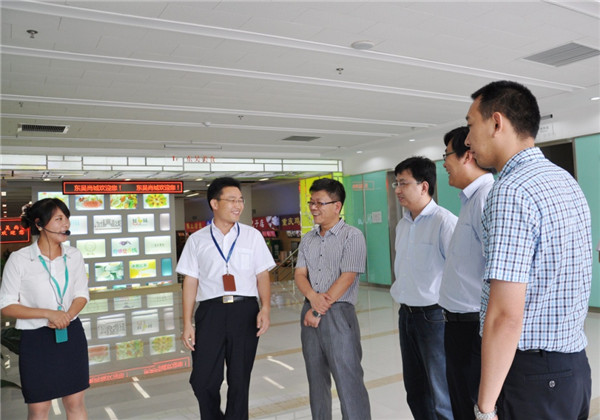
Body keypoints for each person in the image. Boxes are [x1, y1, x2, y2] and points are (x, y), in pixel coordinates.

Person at [465, 80, 592, 420]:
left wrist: (485, 408)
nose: (467, 140)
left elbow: (506, 316)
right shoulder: (565, 180)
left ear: (496, 123)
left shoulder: (511, 191)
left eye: (470, 125)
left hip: (531, 377)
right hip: (573, 368)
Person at [176, 177, 275, 419]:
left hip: (245, 311)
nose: (238, 205)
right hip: (211, 312)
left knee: (240, 379)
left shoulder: (252, 236)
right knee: (202, 381)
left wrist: (265, 308)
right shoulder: (197, 240)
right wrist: (187, 323)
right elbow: (190, 281)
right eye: (232, 200)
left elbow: (262, 275)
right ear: (214, 203)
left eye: (240, 200)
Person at [0, 198, 90, 420]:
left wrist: (66, 316)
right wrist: (49, 313)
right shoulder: (20, 259)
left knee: (75, 402)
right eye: (59, 219)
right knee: (39, 408)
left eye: (66, 218)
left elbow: (82, 294)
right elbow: (6, 305)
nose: (65, 224)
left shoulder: (74, 256)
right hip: (36, 340)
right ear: (39, 224)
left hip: (71, 334)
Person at [294, 178, 371, 420]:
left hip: (338, 314)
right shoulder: (307, 239)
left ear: (337, 206)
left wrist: (319, 309)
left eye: (320, 203)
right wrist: (312, 300)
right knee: (316, 380)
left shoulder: (352, 236)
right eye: (311, 202)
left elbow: (348, 276)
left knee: (348, 379)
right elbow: (299, 274)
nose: (313, 208)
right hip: (309, 313)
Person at [390, 156, 457, 420]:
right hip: (406, 314)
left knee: (440, 391)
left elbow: (457, 272)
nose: (397, 189)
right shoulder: (403, 224)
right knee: (415, 389)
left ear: (424, 186)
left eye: (403, 183)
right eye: (396, 183)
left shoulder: (445, 222)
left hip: (434, 316)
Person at [438, 127, 494, 420]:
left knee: (472, 405)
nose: (444, 163)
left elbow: (498, 272)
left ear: (467, 155)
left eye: (446, 155)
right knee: (460, 404)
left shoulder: (486, 198)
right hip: (460, 325)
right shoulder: (470, 200)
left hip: (474, 327)